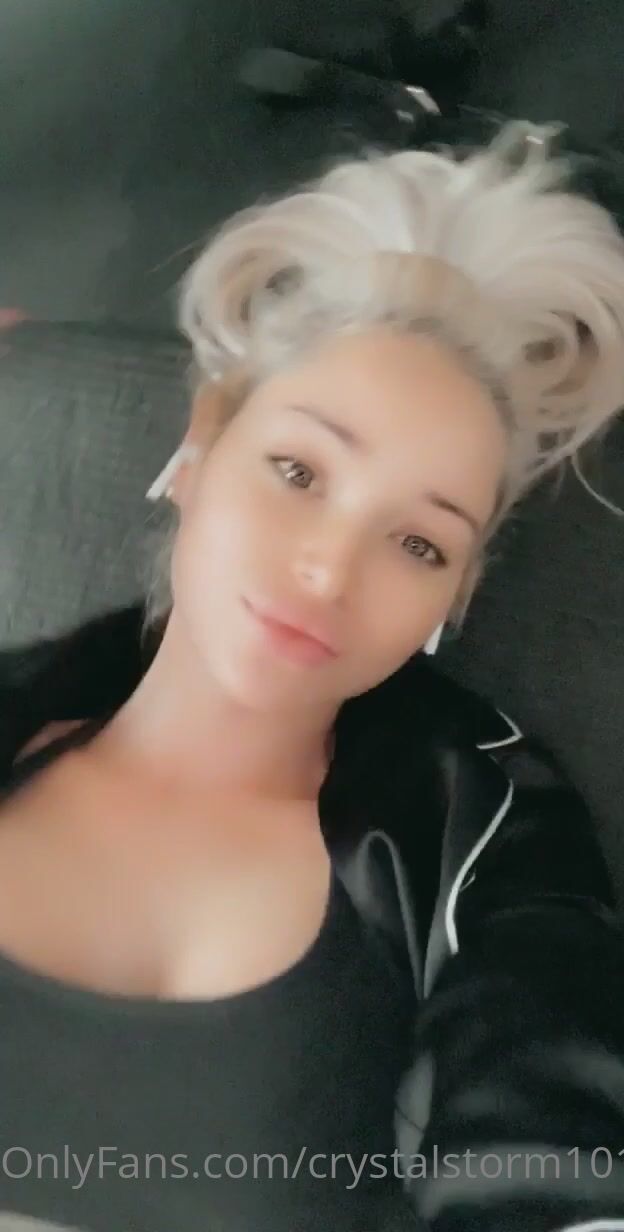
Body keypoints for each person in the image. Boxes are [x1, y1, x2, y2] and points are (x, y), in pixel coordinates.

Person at [2, 122, 624, 1232]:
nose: (330, 570)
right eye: (298, 471)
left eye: (420, 542)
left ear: (458, 593)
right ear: (200, 448)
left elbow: (555, 1137)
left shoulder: (486, 837)